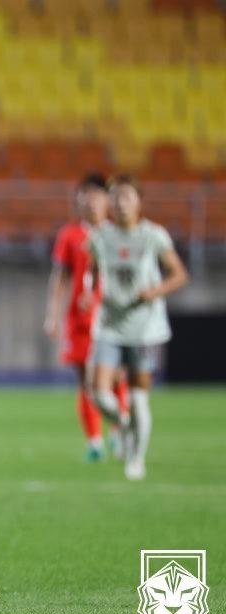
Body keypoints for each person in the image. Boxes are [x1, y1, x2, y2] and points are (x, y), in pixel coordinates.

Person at [87, 176, 189, 480]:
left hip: (144, 328)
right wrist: (89, 290)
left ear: (139, 201)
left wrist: (154, 292)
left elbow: (178, 274)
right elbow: (94, 270)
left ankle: (136, 458)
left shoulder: (153, 236)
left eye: (127, 197)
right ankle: (124, 422)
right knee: (98, 394)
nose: (120, 203)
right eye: (115, 197)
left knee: (139, 395)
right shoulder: (99, 236)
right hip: (109, 324)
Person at [44, 174, 130, 462]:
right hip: (80, 319)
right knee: (88, 383)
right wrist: (52, 315)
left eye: (96, 195)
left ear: (107, 200)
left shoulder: (119, 233)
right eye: (85, 195)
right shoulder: (70, 235)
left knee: (116, 378)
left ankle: (119, 430)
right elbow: (60, 277)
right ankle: (95, 441)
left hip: (113, 318)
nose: (90, 201)